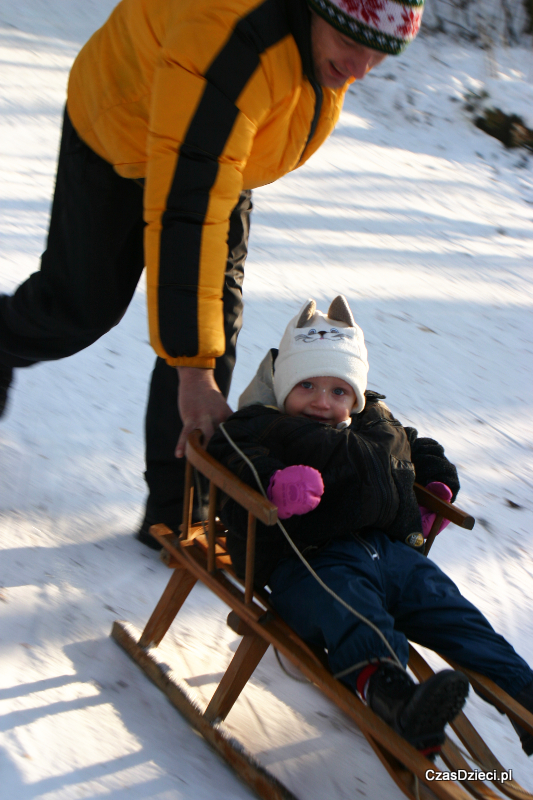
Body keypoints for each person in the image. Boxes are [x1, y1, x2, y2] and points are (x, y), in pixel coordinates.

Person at [0, 0, 425, 544]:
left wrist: (200, 359)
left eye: (381, 52)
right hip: (123, 129)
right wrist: (193, 373)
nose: (363, 66)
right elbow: (188, 211)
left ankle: (177, 512)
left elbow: (206, 177)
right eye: (352, 41)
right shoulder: (235, 38)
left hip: (216, 147)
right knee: (78, 309)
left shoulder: (315, 44)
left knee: (214, 324)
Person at [207, 295, 533, 756]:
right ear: (284, 386)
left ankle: (523, 695)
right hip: (308, 559)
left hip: (393, 554)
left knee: (453, 611)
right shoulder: (260, 426)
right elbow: (231, 460)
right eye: (307, 387)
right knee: (353, 611)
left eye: (339, 391)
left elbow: (417, 446)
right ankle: (394, 698)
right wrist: (273, 486)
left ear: (355, 396)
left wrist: (438, 485)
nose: (323, 402)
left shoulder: (375, 420)